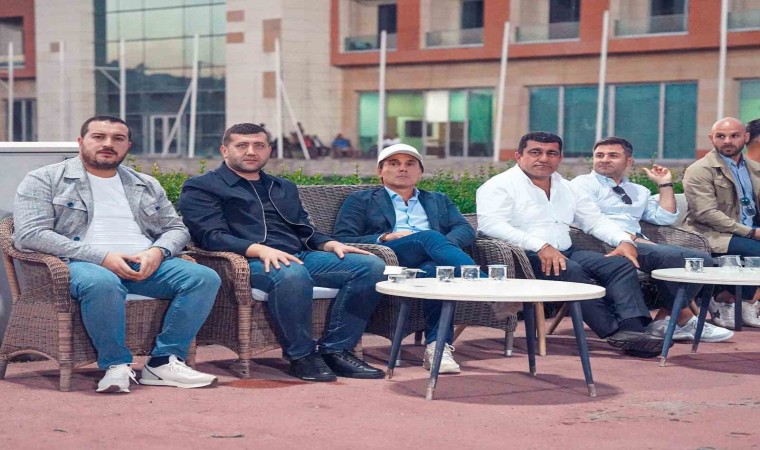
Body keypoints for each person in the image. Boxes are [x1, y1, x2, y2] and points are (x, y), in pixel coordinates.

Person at [13, 115, 222, 394]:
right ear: (81, 141)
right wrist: (101, 257)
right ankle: (116, 365)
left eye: (118, 139)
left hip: (143, 263)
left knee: (203, 278)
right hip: (79, 264)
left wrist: (157, 252)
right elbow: (30, 234)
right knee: (102, 282)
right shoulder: (45, 179)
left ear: (128, 146)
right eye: (99, 137)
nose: (108, 144)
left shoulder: (145, 183)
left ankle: (163, 362)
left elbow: (176, 228)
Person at [178, 123, 386, 382]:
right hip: (247, 260)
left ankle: (337, 350)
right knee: (291, 273)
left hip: (299, 254)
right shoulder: (202, 186)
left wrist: (329, 244)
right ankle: (301, 355)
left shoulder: (282, 186)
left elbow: (304, 228)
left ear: (269, 150)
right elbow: (210, 236)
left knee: (371, 267)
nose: (251, 151)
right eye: (242, 145)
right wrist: (260, 249)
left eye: (259, 145)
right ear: (225, 150)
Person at [476, 132, 667, 357]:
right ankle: (613, 332)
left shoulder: (566, 187)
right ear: (519, 156)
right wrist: (540, 246)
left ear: (559, 158)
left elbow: (594, 220)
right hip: (523, 257)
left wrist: (623, 240)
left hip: (565, 251)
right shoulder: (499, 185)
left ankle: (635, 330)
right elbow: (491, 225)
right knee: (570, 269)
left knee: (620, 265)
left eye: (551, 153)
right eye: (535, 152)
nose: (543, 158)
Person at [570, 137, 732, 342]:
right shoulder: (582, 184)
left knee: (701, 260)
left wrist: (665, 184)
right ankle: (682, 319)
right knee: (682, 259)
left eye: (613, 155)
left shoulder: (638, 191)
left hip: (639, 244)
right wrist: (631, 239)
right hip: (603, 244)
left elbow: (665, 218)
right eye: (599, 155)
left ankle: (666, 320)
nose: (604, 159)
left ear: (629, 161)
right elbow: (591, 221)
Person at [334, 143, 477, 374]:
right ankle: (486, 284)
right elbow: (343, 238)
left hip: (431, 260)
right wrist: (385, 237)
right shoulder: (361, 200)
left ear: (420, 172)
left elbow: (465, 229)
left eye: (410, 164)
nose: (403, 168)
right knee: (429, 237)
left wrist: (441, 246)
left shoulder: (438, 200)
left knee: (435, 270)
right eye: (394, 163)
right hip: (391, 257)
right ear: (380, 171)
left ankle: (437, 349)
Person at [682, 117, 760, 328]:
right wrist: (751, 232)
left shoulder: (755, 168)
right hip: (711, 234)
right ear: (711, 139)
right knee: (757, 250)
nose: (727, 141)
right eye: (721, 136)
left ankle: (744, 300)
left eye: (734, 136)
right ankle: (725, 298)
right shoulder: (700, 169)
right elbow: (706, 213)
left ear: (746, 137)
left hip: (748, 230)